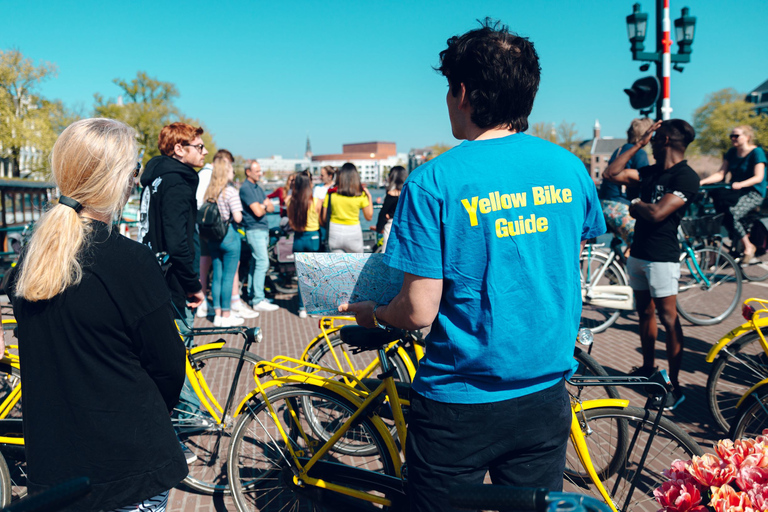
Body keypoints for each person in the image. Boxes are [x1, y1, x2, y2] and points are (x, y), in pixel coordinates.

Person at [341, 20, 605, 512]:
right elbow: (569, 254)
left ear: (461, 93)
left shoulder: (432, 182)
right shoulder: (569, 167)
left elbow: (419, 311)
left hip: (460, 402)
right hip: (546, 391)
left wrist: (373, 312)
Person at [9, 118, 187, 511]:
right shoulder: (131, 263)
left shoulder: (30, 262)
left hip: (56, 471)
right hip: (127, 467)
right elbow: (169, 367)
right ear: (119, 179)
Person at [604, 118, 700, 410]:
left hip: (662, 257)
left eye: (655, 139)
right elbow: (611, 173)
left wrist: (634, 205)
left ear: (666, 140)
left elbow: (658, 213)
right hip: (639, 254)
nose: (653, 144)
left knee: (669, 320)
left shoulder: (686, 177)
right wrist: (638, 143)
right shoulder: (649, 172)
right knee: (644, 312)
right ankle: (647, 369)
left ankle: (674, 384)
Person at [138, 122, 207, 337]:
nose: (205, 152)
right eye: (199, 147)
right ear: (179, 149)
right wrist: (192, 285)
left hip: (153, 274)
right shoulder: (177, 183)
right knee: (181, 354)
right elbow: (177, 242)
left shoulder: (156, 179)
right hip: (173, 281)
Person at [700, 125, 767, 262]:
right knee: (715, 215)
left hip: (753, 192)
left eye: (736, 135)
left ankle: (748, 246)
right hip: (735, 193)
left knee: (733, 213)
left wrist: (741, 184)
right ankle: (718, 253)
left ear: (747, 137)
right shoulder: (731, 152)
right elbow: (721, 174)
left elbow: (758, 177)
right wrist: (702, 182)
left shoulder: (757, 152)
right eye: (732, 136)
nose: (733, 138)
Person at [203, 155, 251, 327]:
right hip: (228, 235)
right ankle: (226, 314)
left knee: (217, 275)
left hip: (213, 237)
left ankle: (217, 314)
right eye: (231, 169)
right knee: (229, 277)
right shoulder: (230, 191)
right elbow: (237, 217)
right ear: (226, 172)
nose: (233, 172)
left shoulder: (210, 191)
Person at [599, 118, 653, 247]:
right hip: (618, 204)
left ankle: (619, 262)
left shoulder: (620, 150)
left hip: (603, 203)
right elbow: (645, 182)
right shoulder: (639, 154)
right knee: (642, 243)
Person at [240, 160, 279, 312]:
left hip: (262, 229)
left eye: (260, 170)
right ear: (248, 172)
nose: (260, 173)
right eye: (257, 171)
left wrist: (263, 206)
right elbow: (258, 211)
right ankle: (257, 299)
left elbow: (270, 207)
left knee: (256, 264)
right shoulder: (246, 188)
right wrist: (263, 206)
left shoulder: (258, 187)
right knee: (263, 262)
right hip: (254, 230)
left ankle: (253, 295)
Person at [287, 171, 323, 318]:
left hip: (298, 238)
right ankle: (313, 307)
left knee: (302, 275)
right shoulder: (316, 201)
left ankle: (302, 307)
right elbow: (321, 221)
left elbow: (290, 223)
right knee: (314, 275)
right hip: (313, 237)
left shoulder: (290, 201)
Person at [321, 162, 373, 253]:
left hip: (334, 232)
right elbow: (369, 217)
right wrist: (370, 197)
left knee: (337, 266)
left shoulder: (331, 193)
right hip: (353, 232)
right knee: (356, 265)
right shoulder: (360, 194)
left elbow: (324, 217)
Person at [373, 165, 409, 252]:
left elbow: (382, 213)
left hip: (391, 225)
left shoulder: (391, 194)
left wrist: (379, 228)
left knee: (387, 251)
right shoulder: (408, 193)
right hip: (407, 225)